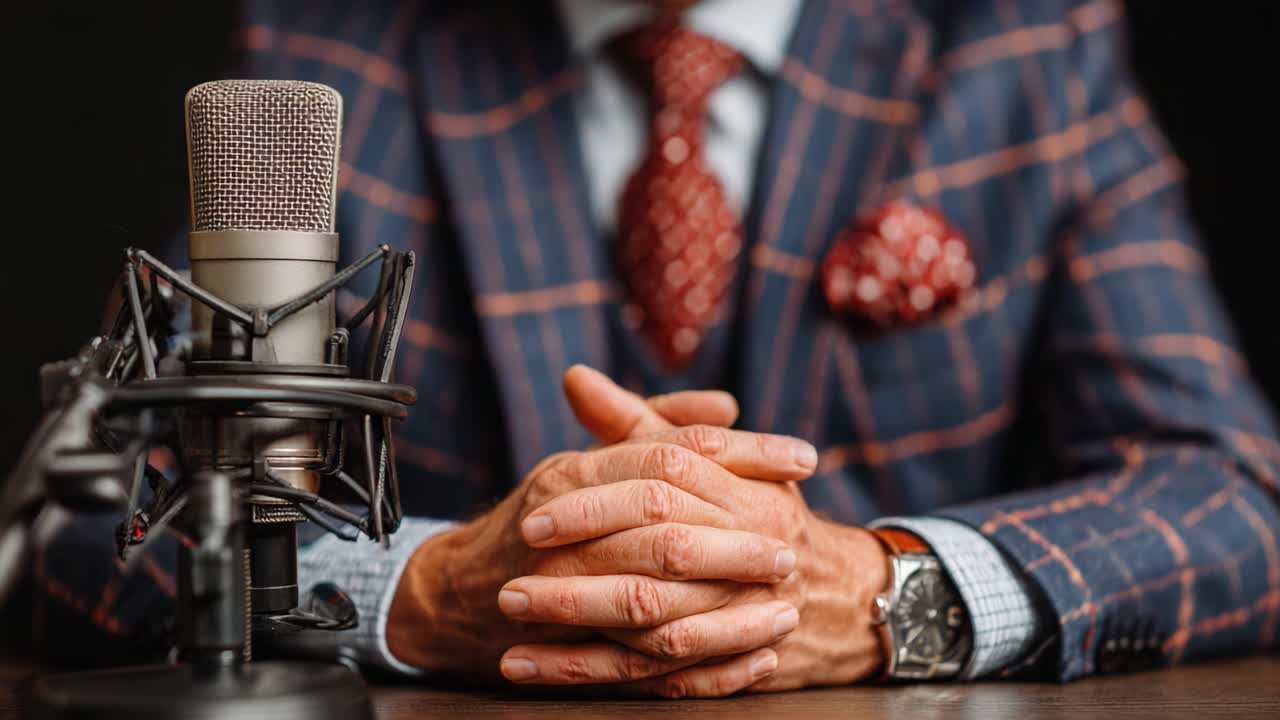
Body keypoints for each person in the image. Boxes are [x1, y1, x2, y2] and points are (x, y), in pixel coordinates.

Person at [31, 0, 1280, 697]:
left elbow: (1233, 496)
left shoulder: (1023, 41)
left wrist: (891, 590)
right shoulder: (338, 49)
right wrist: (427, 592)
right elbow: (78, 516)